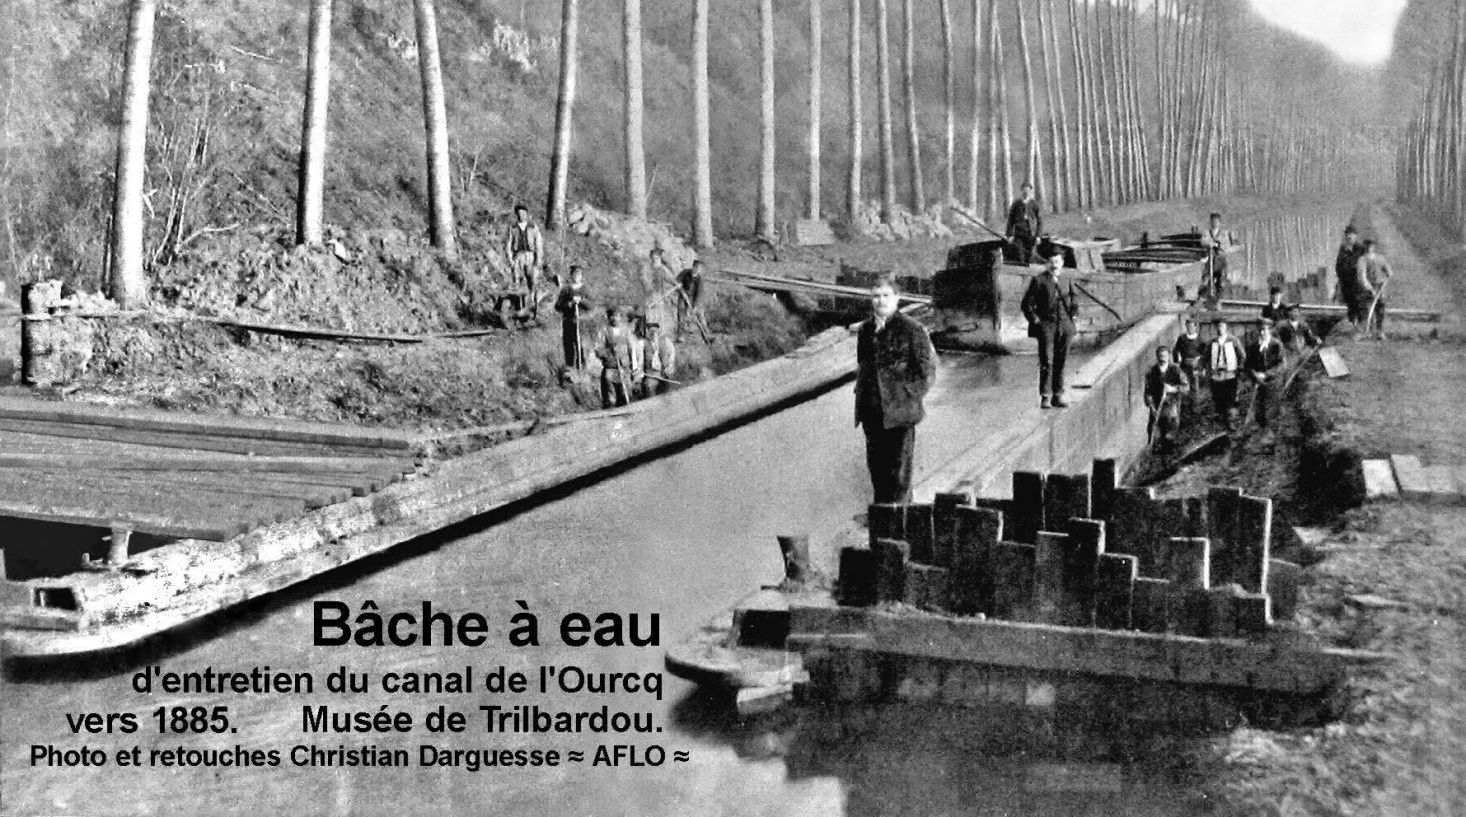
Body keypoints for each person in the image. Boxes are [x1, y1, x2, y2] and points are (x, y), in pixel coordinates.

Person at [855, 276, 937, 505]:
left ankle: (899, 527)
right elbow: (864, 367)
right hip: (872, 413)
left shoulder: (912, 329)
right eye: (875, 296)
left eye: (885, 296)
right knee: (878, 475)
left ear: (897, 299)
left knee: (899, 476)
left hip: (900, 414)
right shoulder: (865, 330)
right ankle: (882, 530)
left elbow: (926, 372)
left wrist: (905, 396)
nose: (880, 301)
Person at [1020, 251, 1079, 408]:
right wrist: (1036, 320)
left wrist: (1074, 315)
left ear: (1062, 263)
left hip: (1065, 325)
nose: (1054, 265)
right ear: (1047, 263)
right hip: (1047, 325)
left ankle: (1058, 395)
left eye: (1057, 262)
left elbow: (1074, 299)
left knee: (1061, 360)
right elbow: (1026, 304)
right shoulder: (1039, 280)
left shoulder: (1067, 279)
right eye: (1052, 262)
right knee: (1046, 360)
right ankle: (1045, 396)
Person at [1144, 346, 1189, 451]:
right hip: (1156, 407)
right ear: (1157, 357)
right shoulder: (1151, 372)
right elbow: (1147, 393)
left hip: (1172, 406)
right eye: (1160, 356)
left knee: (1170, 434)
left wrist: (1172, 389)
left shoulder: (1176, 370)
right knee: (1154, 434)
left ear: (1168, 356)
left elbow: (1186, 387)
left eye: (1164, 356)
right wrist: (1152, 407)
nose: (1162, 358)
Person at [1245, 321, 1285, 430]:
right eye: (1261, 330)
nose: (1263, 332)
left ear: (1270, 331)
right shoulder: (1253, 346)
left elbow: (1282, 365)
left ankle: (1273, 431)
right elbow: (1248, 365)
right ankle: (1260, 430)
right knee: (1259, 407)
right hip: (1258, 382)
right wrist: (1254, 374)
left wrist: (1266, 374)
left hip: (1273, 382)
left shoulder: (1276, 345)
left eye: (1265, 330)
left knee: (1272, 407)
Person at [595, 307, 638, 408]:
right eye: (612, 316)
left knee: (626, 395)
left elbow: (632, 349)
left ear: (620, 317)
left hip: (624, 368)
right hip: (610, 368)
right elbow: (598, 349)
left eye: (616, 316)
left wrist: (634, 368)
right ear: (608, 318)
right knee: (610, 399)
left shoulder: (626, 331)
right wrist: (607, 355)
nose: (614, 318)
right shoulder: (604, 331)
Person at [1208, 318, 1245, 430]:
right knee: (1218, 397)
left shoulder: (1233, 340)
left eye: (1222, 327)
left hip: (1230, 374)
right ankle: (1221, 418)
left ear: (1226, 328)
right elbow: (1205, 358)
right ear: (1215, 329)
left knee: (1230, 398)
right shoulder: (1212, 342)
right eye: (1218, 327)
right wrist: (1207, 369)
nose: (1220, 329)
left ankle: (1231, 421)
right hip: (1216, 374)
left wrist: (1239, 368)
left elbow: (1242, 356)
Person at [553, 266, 591, 369]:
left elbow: (591, 305)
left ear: (582, 276)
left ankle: (582, 369)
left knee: (581, 346)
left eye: (579, 274)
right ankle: (569, 368)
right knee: (569, 346)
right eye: (575, 274)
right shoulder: (566, 290)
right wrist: (570, 303)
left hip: (581, 322)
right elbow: (558, 306)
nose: (577, 276)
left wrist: (581, 301)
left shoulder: (585, 289)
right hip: (568, 321)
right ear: (571, 275)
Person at [1354, 239, 1393, 340]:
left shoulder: (1380, 258)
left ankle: (1380, 331)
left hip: (1380, 287)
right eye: (1367, 245)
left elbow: (1388, 270)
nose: (1369, 247)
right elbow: (1361, 277)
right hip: (1368, 288)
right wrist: (1370, 289)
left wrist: (1388, 273)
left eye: (1371, 245)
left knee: (1380, 309)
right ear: (1365, 246)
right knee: (1368, 309)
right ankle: (1368, 331)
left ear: (1374, 247)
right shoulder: (1362, 260)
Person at [504, 204, 544, 299]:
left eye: (523, 213)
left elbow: (538, 243)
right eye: (519, 213)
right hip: (518, 256)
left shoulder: (532, 226)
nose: (521, 215)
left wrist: (538, 258)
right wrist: (510, 259)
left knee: (533, 279)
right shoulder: (513, 228)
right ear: (517, 215)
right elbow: (508, 244)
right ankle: (519, 303)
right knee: (517, 280)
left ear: (526, 214)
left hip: (530, 256)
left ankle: (532, 300)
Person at [1172, 317, 1206, 418]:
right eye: (1188, 326)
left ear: (1196, 327)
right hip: (1184, 366)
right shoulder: (1182, 339)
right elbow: (1176, 351)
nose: (1190, 328)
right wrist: (1177, 361)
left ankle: (1195, 409)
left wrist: (1201, 365)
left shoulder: (1200, 340)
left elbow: (1204, 354)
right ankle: (1184, 410)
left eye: (1192, 326)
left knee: (1195, 387)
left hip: (1195, 366)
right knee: (1184, 386)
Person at [1005, 182, 1043, 264]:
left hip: (1031, 235)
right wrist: (1010, 235)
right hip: (1019, 234)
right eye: (1024, 191)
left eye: (1028, 191)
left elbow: (1040, 221)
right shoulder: (1016, 204)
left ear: (1031, 191)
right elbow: (1010, 220)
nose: (1026, 193)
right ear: (1021, 191)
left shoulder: (1034, 204)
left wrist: (1038, 236)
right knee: (1020, 255)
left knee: (1030, 256)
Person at [639, 320, 677, 398]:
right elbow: (639, 359)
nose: (653, 333)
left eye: (655, 331)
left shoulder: (665, 341)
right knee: (649, 388)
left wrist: (670, 365)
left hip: (664, 373)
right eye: (651, 331)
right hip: (651, 374)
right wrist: (639, 371)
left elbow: (672, 354)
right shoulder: (643, 343)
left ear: (658, 331)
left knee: (668, 393)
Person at [1334, 225, 1364, 321]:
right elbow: (1338, 265)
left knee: (1359, 302)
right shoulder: (1342, 249)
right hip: (1346, 281)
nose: (1349, 237)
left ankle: (1362, 322)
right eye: (1348, 235)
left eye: (1352, 235)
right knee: (1350, 302)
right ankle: (1352, 322)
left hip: (1358, 281)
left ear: (1356, 236)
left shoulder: (1361, 249)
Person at [1199, 212, 1232, 297]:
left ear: (1219, 223)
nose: (1215, 223)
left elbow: (1226, 245)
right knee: (1206, 278)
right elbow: (1203, 241)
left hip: (1220, 260)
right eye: (1213, 221)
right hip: (1210, 259)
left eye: (1216, 221)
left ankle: (1219, 297)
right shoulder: (1207, 232)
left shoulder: (1224, 233)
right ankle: (1204, 296)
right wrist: (1209, 244)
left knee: (1220, 280)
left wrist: (1218, 244)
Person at [676, 260, 709, 341]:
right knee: (681, 314)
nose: (697, 270)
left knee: (700, 315)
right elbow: (677, 281)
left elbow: (699, 294)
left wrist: (695, 307)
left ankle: (706, 335)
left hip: (694, 298)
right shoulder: (685, 273)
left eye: (699, 269)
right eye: (696, 267)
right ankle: (681, 334)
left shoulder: (700, 279)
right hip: (683, 296)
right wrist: (681, 289)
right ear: (693, 267)